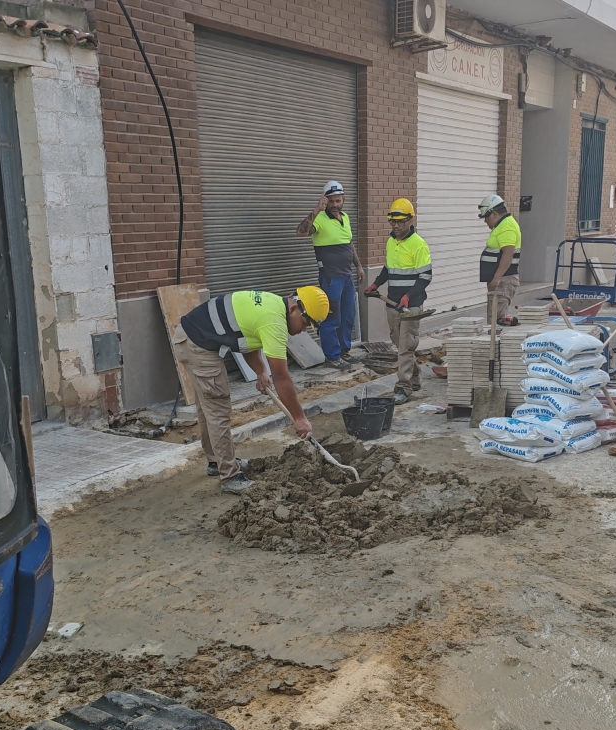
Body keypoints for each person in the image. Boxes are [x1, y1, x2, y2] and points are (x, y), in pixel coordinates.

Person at [173, 286, 330, 494]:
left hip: (191, 337)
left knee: (208, 407)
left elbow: (247, 338)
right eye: (305, 322)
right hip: (197, 345)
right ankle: (230, 476)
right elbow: (282, 377)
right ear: (294, 308)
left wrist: (260, 370)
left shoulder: (272, 304)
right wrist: (299, 417)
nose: (304, 329)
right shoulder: (275, 322)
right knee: (218, 408)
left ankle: (216, 462)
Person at [366, 198, 432, 405]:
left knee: (405, 346)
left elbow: (426, 276)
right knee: (397, 341)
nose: (396, 225)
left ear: (410, 220)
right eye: (392, 221)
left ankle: (403, 387)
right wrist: (375, 284)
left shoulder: (418, 244)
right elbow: (388, 269)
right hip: (392, 302)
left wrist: (409, 296)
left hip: (412, 305)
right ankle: (414, 375)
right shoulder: (391, 241)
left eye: (400, 222)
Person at [295, 180, 365, 369]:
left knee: (347, 316)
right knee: (332, 318)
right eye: (331, 201)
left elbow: (349, 243)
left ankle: (344, 351)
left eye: (338, 201)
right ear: (325, 200)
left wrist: (358, 266)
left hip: (347, 277)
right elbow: (301, 232)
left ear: (343, 200)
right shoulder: (319, 219)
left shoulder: (345, 217)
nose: (335, 205)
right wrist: (317, 209)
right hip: (331, 278)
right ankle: (332, 356)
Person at [479, 193, 521, 326]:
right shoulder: (503, 225)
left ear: (494, 214)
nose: (485, 221)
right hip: (501, 281)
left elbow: (508, 253)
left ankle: (494, 345)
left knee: (497, 321)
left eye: (486, 217)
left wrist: (496, 279)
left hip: (503, 281)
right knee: (494, 320)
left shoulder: (506, 226)